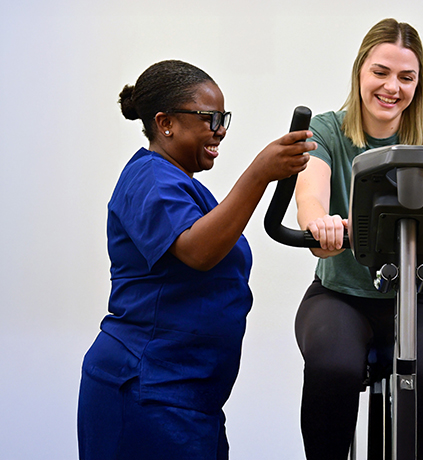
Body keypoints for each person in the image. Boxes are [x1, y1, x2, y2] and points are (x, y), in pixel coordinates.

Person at [77, 60, 315, 460]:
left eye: (223, 119)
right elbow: (198, 251)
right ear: (165, 123)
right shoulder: (148, 178)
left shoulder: (183, 187)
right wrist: (259, 175)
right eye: (210, 118)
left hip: (189, 399)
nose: (220, 129)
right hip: (146, 391)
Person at [293, 18, 423, 459]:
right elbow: (310, 195)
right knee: (332, 368)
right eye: (380, 72)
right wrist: (319, 224)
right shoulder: (326, 130)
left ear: (418, 83)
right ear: (361, 70)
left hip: (422, 296)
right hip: (341, 296)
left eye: (405, 77)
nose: (391, 87)